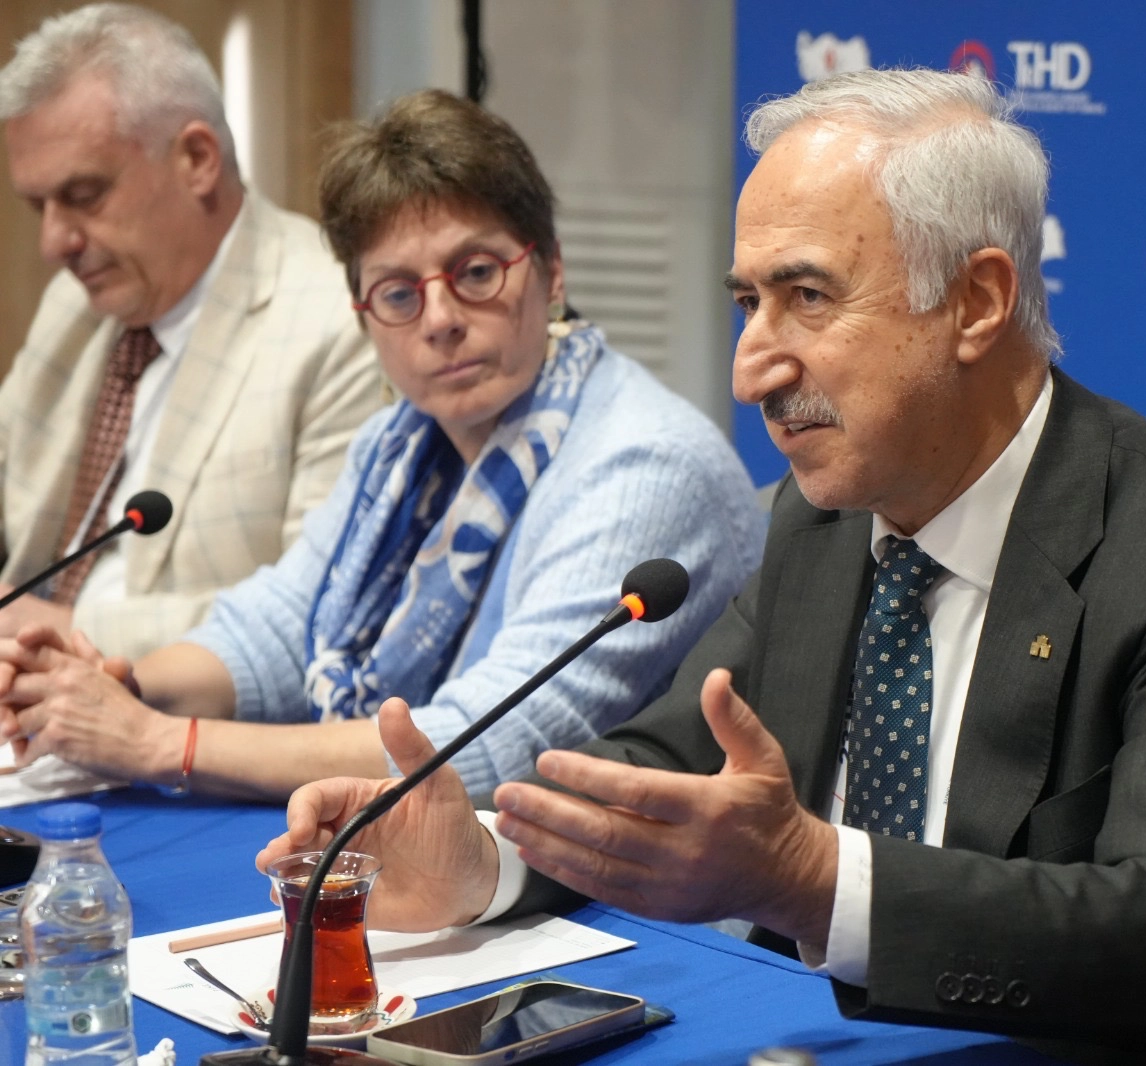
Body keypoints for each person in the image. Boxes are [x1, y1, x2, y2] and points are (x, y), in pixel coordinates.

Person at [260, 69, 1146, 1062]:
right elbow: (669, 763)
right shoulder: (823, 516)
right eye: (749, 303)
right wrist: (488, 855)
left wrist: (813, 879)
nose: (751, 371)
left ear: (975, 301)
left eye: (809, 298)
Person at [0, 89, 764, 800]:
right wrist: (116, 688)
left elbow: (488, 743)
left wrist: (160, 742)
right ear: (365, 314)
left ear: (551, 272)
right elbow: (281, 627)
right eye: (398, 293)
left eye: (475, 273)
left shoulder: (643, 464)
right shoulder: (400, 445)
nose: (440, 320)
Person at [0, 3, 381, 658]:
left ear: (197, 159)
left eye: (84, 196)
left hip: (170, 702)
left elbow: (319, 612)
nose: (55, 243)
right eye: (39, 207)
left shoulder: (335, 324)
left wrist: (53, 628)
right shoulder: (77, 305)